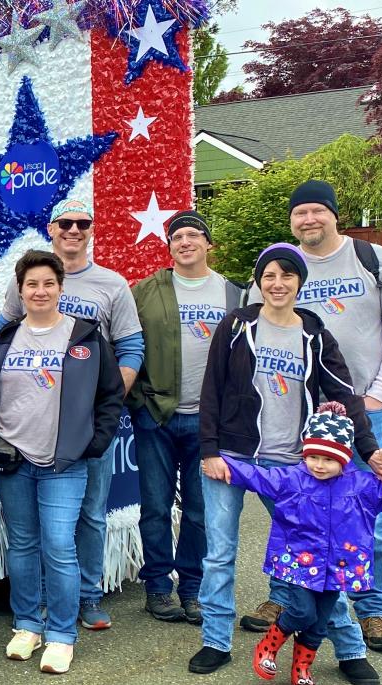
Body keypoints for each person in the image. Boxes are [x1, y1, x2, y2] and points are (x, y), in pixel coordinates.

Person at [189, 243, 382, 685]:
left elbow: (346, 396)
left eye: (287, 276)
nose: (277, 284)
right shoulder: (236, 326)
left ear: (299, 283)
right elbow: (211, 390)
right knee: (219, 553)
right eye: (268, 276)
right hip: (232, 453)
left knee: (322, 554)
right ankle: (215, 641)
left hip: (293, 461)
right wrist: (209, 450)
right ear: (258, 282)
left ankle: (349, 650)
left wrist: (369, 450)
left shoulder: (316, 334)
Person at [244, 180, 382, 654]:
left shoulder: (374, 260)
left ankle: (374, 609)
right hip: (295, 414)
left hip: (360, 413)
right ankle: (287, 596)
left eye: (318, 210)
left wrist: (379, 396)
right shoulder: (278, 265)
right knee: (293, 511)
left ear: (335, 215)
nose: (309, 220)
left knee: (365, 511)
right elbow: (250, 333)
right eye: (300, 213)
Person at [0, 198, 143, 629]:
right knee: (32, 534)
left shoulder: (112, 285)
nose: (74, 229)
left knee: (89, 514)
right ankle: (34, 612)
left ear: (91, 229)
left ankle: (87, 598)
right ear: (52, 228)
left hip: (83, 428)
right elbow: (1, 329)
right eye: (66, 223)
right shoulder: (31, 280)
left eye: (83, 223)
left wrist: (97, 415)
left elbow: (130, 347)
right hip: (27, 437)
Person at [0, 250, 123, 674]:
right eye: (31, 285)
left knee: (59, 546)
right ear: (19, 292)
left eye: (48, 284)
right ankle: (27, 624)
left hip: (63, 462)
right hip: (10, 459)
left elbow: (110, 395)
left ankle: (60, 633)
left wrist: (92, 443)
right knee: (22, 543)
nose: (40, 291)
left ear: (60, 288)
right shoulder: (3, 341)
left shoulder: (86, 338)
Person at [221, 403, 382, 685]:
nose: (319, 465)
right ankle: (269, 644)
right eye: (313, 456)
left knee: (320, 622)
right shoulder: (292, 479)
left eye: (328, 459)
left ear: (345, 459)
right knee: (301, 611)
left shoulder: (362, 485)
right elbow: (257, 476)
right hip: (299, 563)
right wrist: (219, 460)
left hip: (339, 568)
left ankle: (302, 669)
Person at [129, 211, 243, 625]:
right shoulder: (145, 291)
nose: (186, 242)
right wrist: (140, 400)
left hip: (209, 423)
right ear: (170, 246)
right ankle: (158, 587)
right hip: (157, 416)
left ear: (209, 244)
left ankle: (192, 588)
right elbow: (125, 345)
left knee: (199, 510)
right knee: (156, 507)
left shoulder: (235, 294)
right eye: (177, 236)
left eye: (195, 234)